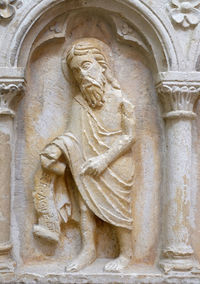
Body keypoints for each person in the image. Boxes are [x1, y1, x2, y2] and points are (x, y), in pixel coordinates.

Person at [33, 38, 136, 272]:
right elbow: (71, 135)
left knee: (119, 209)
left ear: (102, 65)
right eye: (77, 71)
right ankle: (88, 250)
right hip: (86, 158)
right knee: (85, 205)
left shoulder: (122, 100)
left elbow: (130, 137)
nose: (82, 74)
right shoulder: (79, 102)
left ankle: (126, 254)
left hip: (116, 162)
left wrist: (104, 160)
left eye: (86, 66)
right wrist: (57, 148)